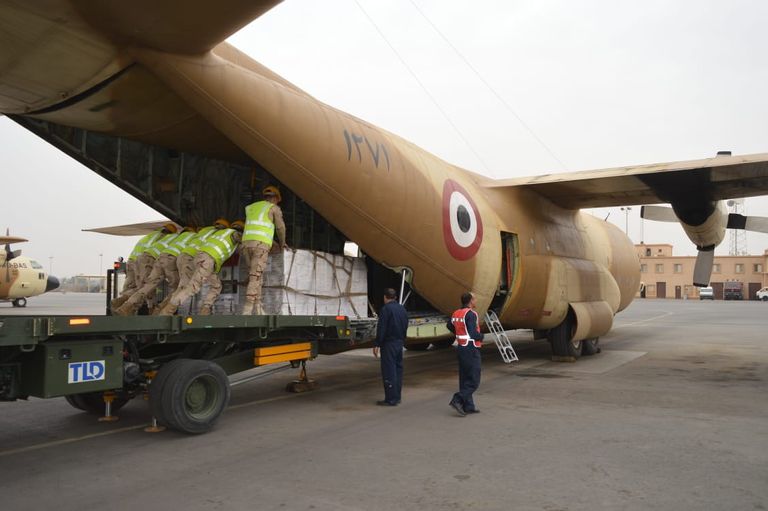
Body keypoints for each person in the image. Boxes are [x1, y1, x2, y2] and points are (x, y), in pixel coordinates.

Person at [156, 220, 244, 316]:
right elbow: (244, 242)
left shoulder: (218, 233)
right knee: (192, 287)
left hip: (199, 257)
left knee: (216, 285)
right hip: (208, 260)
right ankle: (166, 312)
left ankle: (205, 310)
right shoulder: (234, 234)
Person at [113, 226, 196, 316]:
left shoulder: (168, 237)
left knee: (147, 286)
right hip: (159, 258)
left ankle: (126, 306)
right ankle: (162, 312)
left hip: (155, 258)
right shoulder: (194, 237)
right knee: (177, 288)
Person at [240, 185, 287, 315]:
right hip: (260, 246)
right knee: (255, 276)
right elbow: (280, 228)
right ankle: (247, 309)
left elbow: (257, 226)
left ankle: (259, 308)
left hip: (245, 244)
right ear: (276, 198)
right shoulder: (273, 208)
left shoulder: (251, 207)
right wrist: (282, 243)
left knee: (257, 275)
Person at [110, 223, 175, 311]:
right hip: (144, 261)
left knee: (131, 287)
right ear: (170, 233)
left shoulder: (150, 236)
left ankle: (122, 305)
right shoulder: (163, 238)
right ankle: (146, 308)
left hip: (132, 261)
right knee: (146, 286)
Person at [447, 292, 484, 416]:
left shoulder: (456, 313)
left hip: (461, 347)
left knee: (464, 378)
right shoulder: (471, 314)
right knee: (474, 379)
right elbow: (473, 334)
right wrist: (482, 336)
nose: (476, 301)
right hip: (471, 348)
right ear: (470, 301)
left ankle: (468, 406)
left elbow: (449, 325)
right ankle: (457, 399)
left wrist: (459, 334)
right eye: (475, 299)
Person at [372, 288, 408, 406]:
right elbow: (406, 324)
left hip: (389, 344)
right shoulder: (402, 308)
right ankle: (397, 396)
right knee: (398, 370)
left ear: (385, 297)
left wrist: (377, 343)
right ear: (395, 297)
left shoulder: (386, 309)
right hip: (399, 342)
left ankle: (391, 399)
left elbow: (382, 328)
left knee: (389, 370)